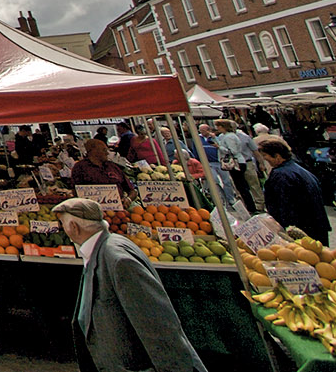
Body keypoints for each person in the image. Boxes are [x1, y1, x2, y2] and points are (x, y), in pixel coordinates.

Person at [52, 198, 206, 371]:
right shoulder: (103, 248)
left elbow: (157, 322)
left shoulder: (118, 260)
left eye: (62, 223)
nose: (62, 229)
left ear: (74, 227)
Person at [259, 136, 331, 245]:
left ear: (277, 156)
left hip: (302, 229)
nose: (265, 159)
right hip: (317, 226)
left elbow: (284, 204)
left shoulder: (281, 175)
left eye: (266, 156)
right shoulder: (299, 170)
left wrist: (284, 229)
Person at [213, 119, 256, 214]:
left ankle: (251, 207)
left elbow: (233, 151)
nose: (217, 128)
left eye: (218, 126)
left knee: (241, 186)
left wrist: (219, 147)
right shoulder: (225, 136)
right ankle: (248, 206)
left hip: (237, 163)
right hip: (237, 162)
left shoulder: (229, 137)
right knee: (240, 186)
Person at [70, 139, 136, 198]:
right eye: (104, 150)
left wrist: (128, 199)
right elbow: (76, 190)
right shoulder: (80, 167)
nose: (107, 153)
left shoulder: (113, 167)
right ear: (93, 151)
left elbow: (132, 191)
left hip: (120, 208)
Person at [234, 124, 267, 213]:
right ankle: (247, 206)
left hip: (247, 162)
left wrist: (261, 163)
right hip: (234, 164)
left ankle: (260, 205)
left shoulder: (244, 137)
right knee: (239, 187)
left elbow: (255, 151)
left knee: (253, 183)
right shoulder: (222, 137)